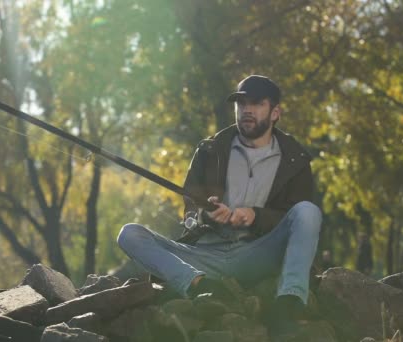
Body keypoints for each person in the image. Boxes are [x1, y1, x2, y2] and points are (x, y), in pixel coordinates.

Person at [117, 75, 322, 338]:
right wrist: (206, 214)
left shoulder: (296, 160)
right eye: (241, 103)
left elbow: (297, 218)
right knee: (129, 234)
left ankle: (288, 304)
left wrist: (255, 216)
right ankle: (200, 285)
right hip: (204, 256)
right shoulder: (209, 150)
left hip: (258, 254)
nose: (247, 110)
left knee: (309, 212)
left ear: (275, 113)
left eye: (257, 103)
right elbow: (190, 209)